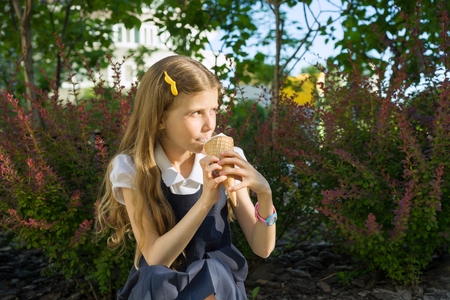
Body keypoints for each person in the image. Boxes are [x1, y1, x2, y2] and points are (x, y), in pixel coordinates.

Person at [95, 55, 277, 300]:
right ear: (160, 118)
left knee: (213, 270)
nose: (209, 125)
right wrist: (205, 202)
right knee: (161, 276)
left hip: (217, 285)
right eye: (195, 113)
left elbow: (262, 248)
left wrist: (264, 194)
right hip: (161, 287)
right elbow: (156, 258)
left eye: (213, 110)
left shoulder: (226, 159)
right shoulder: (133, 168)